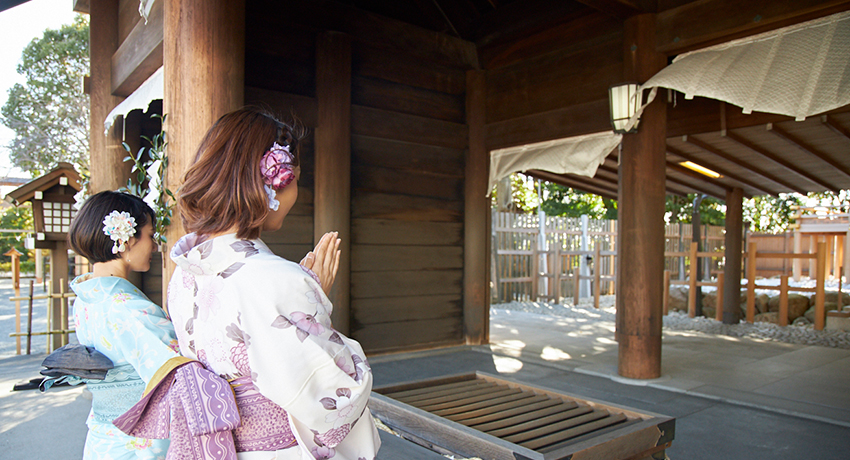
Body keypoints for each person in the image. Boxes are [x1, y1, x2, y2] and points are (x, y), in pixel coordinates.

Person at [167, 107, 380, 460]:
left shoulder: (184, 272)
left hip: (219, 447)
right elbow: (333, 392)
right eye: (295, 176)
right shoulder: (277, 280)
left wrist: (303, 302)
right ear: (273, 183)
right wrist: (308, 300)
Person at [67, 191, 180, 460]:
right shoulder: (127, 308)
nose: (154, 246)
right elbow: (177, 371)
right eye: (151, 236)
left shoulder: (85, 298)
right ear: (127, 239)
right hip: (137, 438)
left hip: (103, 435)